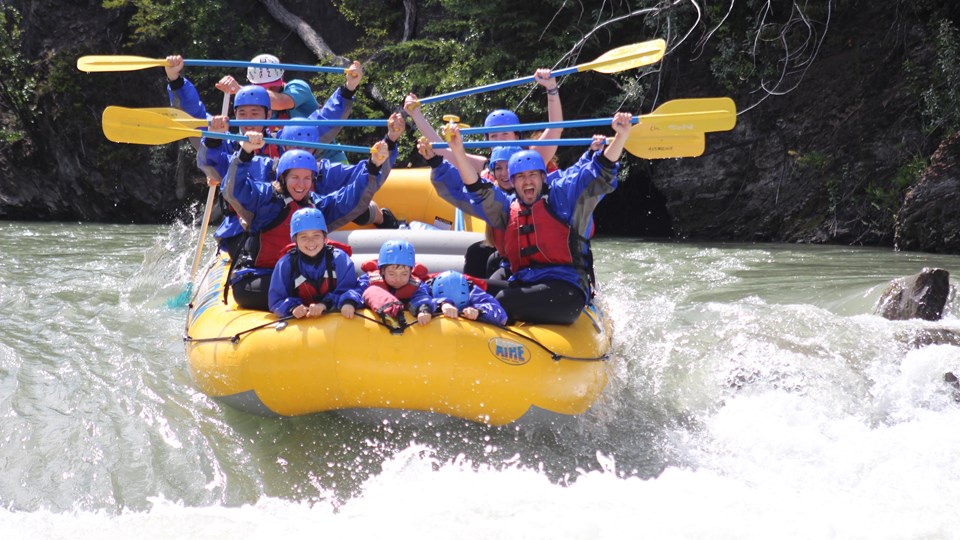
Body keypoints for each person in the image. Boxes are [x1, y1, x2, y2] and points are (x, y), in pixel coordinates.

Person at [434, 114, 631, 325]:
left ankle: (486, 323)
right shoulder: (509, 207)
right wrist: (455, 152)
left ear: (543, 177)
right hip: (525, 281)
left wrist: (620, 136)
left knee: (504, 299)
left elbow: (599, 171)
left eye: (532, 175)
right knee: (468, 287)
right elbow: (477, 189)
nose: (527, 181)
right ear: (513, 182)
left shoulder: (563, 197)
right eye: (520, 177)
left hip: (565, 290)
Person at [222, 131, 397, 311]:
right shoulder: (264, 199)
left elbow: (350, 199)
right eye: (294, 177)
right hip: (264, 275)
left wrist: (373, 166)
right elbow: (234, 191)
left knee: (324, 283)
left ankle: (319, 302)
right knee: (251, 292)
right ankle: (296, 304)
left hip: (303, 276)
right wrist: (245, 153)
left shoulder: (316, 206)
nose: (301, 185)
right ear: (283, 178)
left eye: (307, 178)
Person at [403, 67, 563, 175]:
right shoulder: (484, 166)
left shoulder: (534, 156)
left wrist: (551, 89)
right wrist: (416, 115)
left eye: (505, 134)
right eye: (493, 136)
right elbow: (443, 151)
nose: (499, 140)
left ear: (516, 136)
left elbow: (555, 128)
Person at [217, 53, 364, 164]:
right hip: (287, 166)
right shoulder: (252, 114)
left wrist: (242, 91)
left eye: (272, 86)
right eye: (262, 88)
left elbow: (282, 102)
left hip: (325, 157)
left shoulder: (298, 87)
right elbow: (243, 144)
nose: (268, 91)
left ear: (281, 79)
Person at [268, 207, 361, 319]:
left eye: (316, 235)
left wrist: (324, 305)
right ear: (295, 240)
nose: (310, 241)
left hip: (332, 313)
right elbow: (276, 300)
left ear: (324, 237)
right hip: (301, 319)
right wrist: (292, 308)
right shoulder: (285, 264)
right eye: (304, 237)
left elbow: (349, 290)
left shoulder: (339, 259)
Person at [357, 240, 434, 326]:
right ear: (382, 271)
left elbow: (422, 297)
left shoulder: (417, 285)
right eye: (392, 274)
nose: (398, 279)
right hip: (375, 319)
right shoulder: (368, 280)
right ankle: (389, 309)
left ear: (410, 272)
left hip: (404, 322)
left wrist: (423, 309)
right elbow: (356, 291)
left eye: (404, 274)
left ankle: (395, 311)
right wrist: (349, 302)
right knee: (372, 290)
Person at [429, 270, 507, 326]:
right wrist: (441, 304)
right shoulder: (426, 290)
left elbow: (500, 314)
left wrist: (478, 311)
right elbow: (423, 301)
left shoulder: (472, 290)